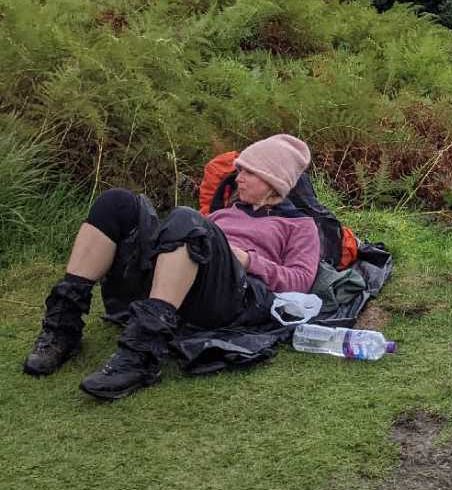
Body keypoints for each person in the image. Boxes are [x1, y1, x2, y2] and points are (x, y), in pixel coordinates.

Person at [22, 134, 321, 400]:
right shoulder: (223, 215)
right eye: (239, 169)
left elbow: (301, 281)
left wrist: (248, 259)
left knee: (186, 219)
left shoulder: (299, 225)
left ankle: (140, 355)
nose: (238, 177)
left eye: (249, 172)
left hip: (233, 296)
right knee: (117, 202)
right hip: (181, 282)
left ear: (274, 182)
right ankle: (62, 329)